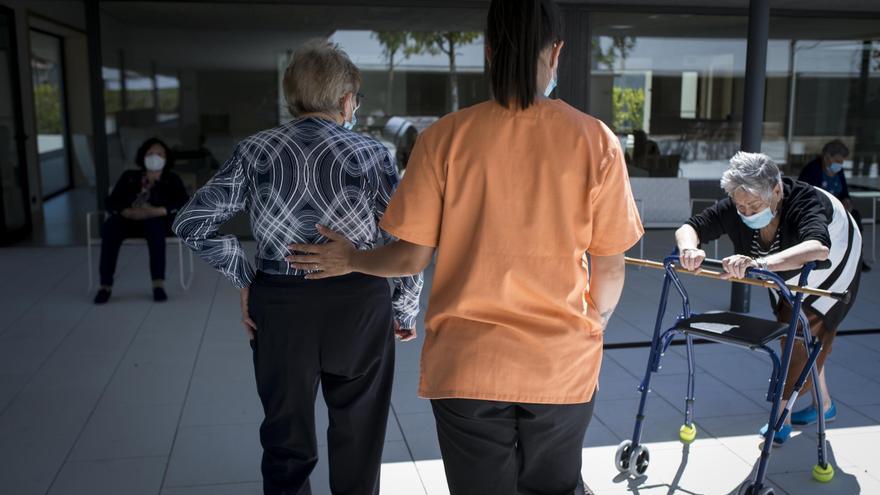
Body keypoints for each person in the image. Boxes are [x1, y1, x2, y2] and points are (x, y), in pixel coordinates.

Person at [285, 1, 643, 493]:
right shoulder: (596, 141)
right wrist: (592, 323)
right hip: (559, 363)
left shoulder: (443, 139)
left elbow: (410, 257)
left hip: (468, 365)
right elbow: (610, 269)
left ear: (489, 52)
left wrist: (351, 258)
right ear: (556, 52)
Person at [172, 40, 423, 495]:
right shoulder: (373, 155)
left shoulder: (255, 151)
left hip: (281, 306)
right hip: (359, 304)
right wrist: (404, 309)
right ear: (347, 101)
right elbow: (403, 238)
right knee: (359, 434)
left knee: (286, 440)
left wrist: (243, 277)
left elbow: (191, 221)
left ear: (292, 98)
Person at [677, 151, 862, 445]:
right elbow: (691, 227)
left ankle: (781, 418)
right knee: (806, 337)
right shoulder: (739, 204)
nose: (747, 213)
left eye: (753, 205)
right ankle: (825, 405)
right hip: (785, 274)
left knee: (798, 336)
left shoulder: (803, 201)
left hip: (836, 264)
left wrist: (760, 264)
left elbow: (818, 247)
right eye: (741, 206)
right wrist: (688, 249)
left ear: (776, 190)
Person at [94, 137, 189, 304]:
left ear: (166, 158)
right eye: (150, 153)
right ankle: (105, 285)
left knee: (154, 226)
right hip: (130, 220)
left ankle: (158, 284)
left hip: (158, 221)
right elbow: (111, 201)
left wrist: (160, 210)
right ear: (142, 156)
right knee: (110, 227)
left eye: (159, 154)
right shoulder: (129, 176)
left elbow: (183, 201)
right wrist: (126, 211)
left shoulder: (172, 179)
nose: (154, 157)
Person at [798, 139, 871, 271]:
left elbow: (844, 192)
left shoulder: (839, 172)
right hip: (818, 209)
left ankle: (857, 257)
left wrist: (847, 201)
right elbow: (805, 195)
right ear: (827, 157)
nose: (840, 165)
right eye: (838, 161)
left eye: (842, 162)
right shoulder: (812, 170)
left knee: (855, 217)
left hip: (838, 208)